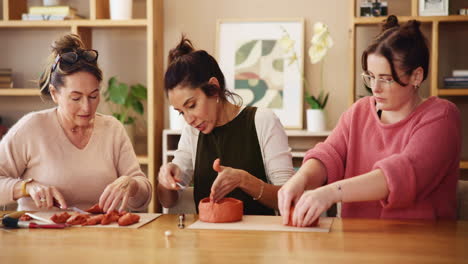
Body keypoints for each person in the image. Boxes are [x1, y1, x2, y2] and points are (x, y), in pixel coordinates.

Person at [278, 15, 461, 226]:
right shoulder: (359, 112)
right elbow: (329, 155)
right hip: (356, 242)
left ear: (416, 76)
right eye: (371, 76)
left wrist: (329, 193)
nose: (375, 88)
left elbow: (402, 174)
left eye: (386, 79)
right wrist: (300, 179)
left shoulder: (442, 117)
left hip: (421, 245)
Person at [0, 34, 152, 212]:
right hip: (42, 236)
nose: (86, 107)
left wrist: (131, 184)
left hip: (103, 235)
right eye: (76, 98)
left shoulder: (113, 129)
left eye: (93, 96)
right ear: (54, 93)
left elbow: (144, 199)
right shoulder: (32, 127)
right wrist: (26, 187)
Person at [157, 36, 294, 215]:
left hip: (259, 238)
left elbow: (290, 198)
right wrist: (166, 180)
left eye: (191, 106)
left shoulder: (263, 121)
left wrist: (244, 180)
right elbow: (168, 201)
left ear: (214, 89)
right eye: (181, 112)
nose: (188, 119)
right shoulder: (192, 132)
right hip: (207, 239)